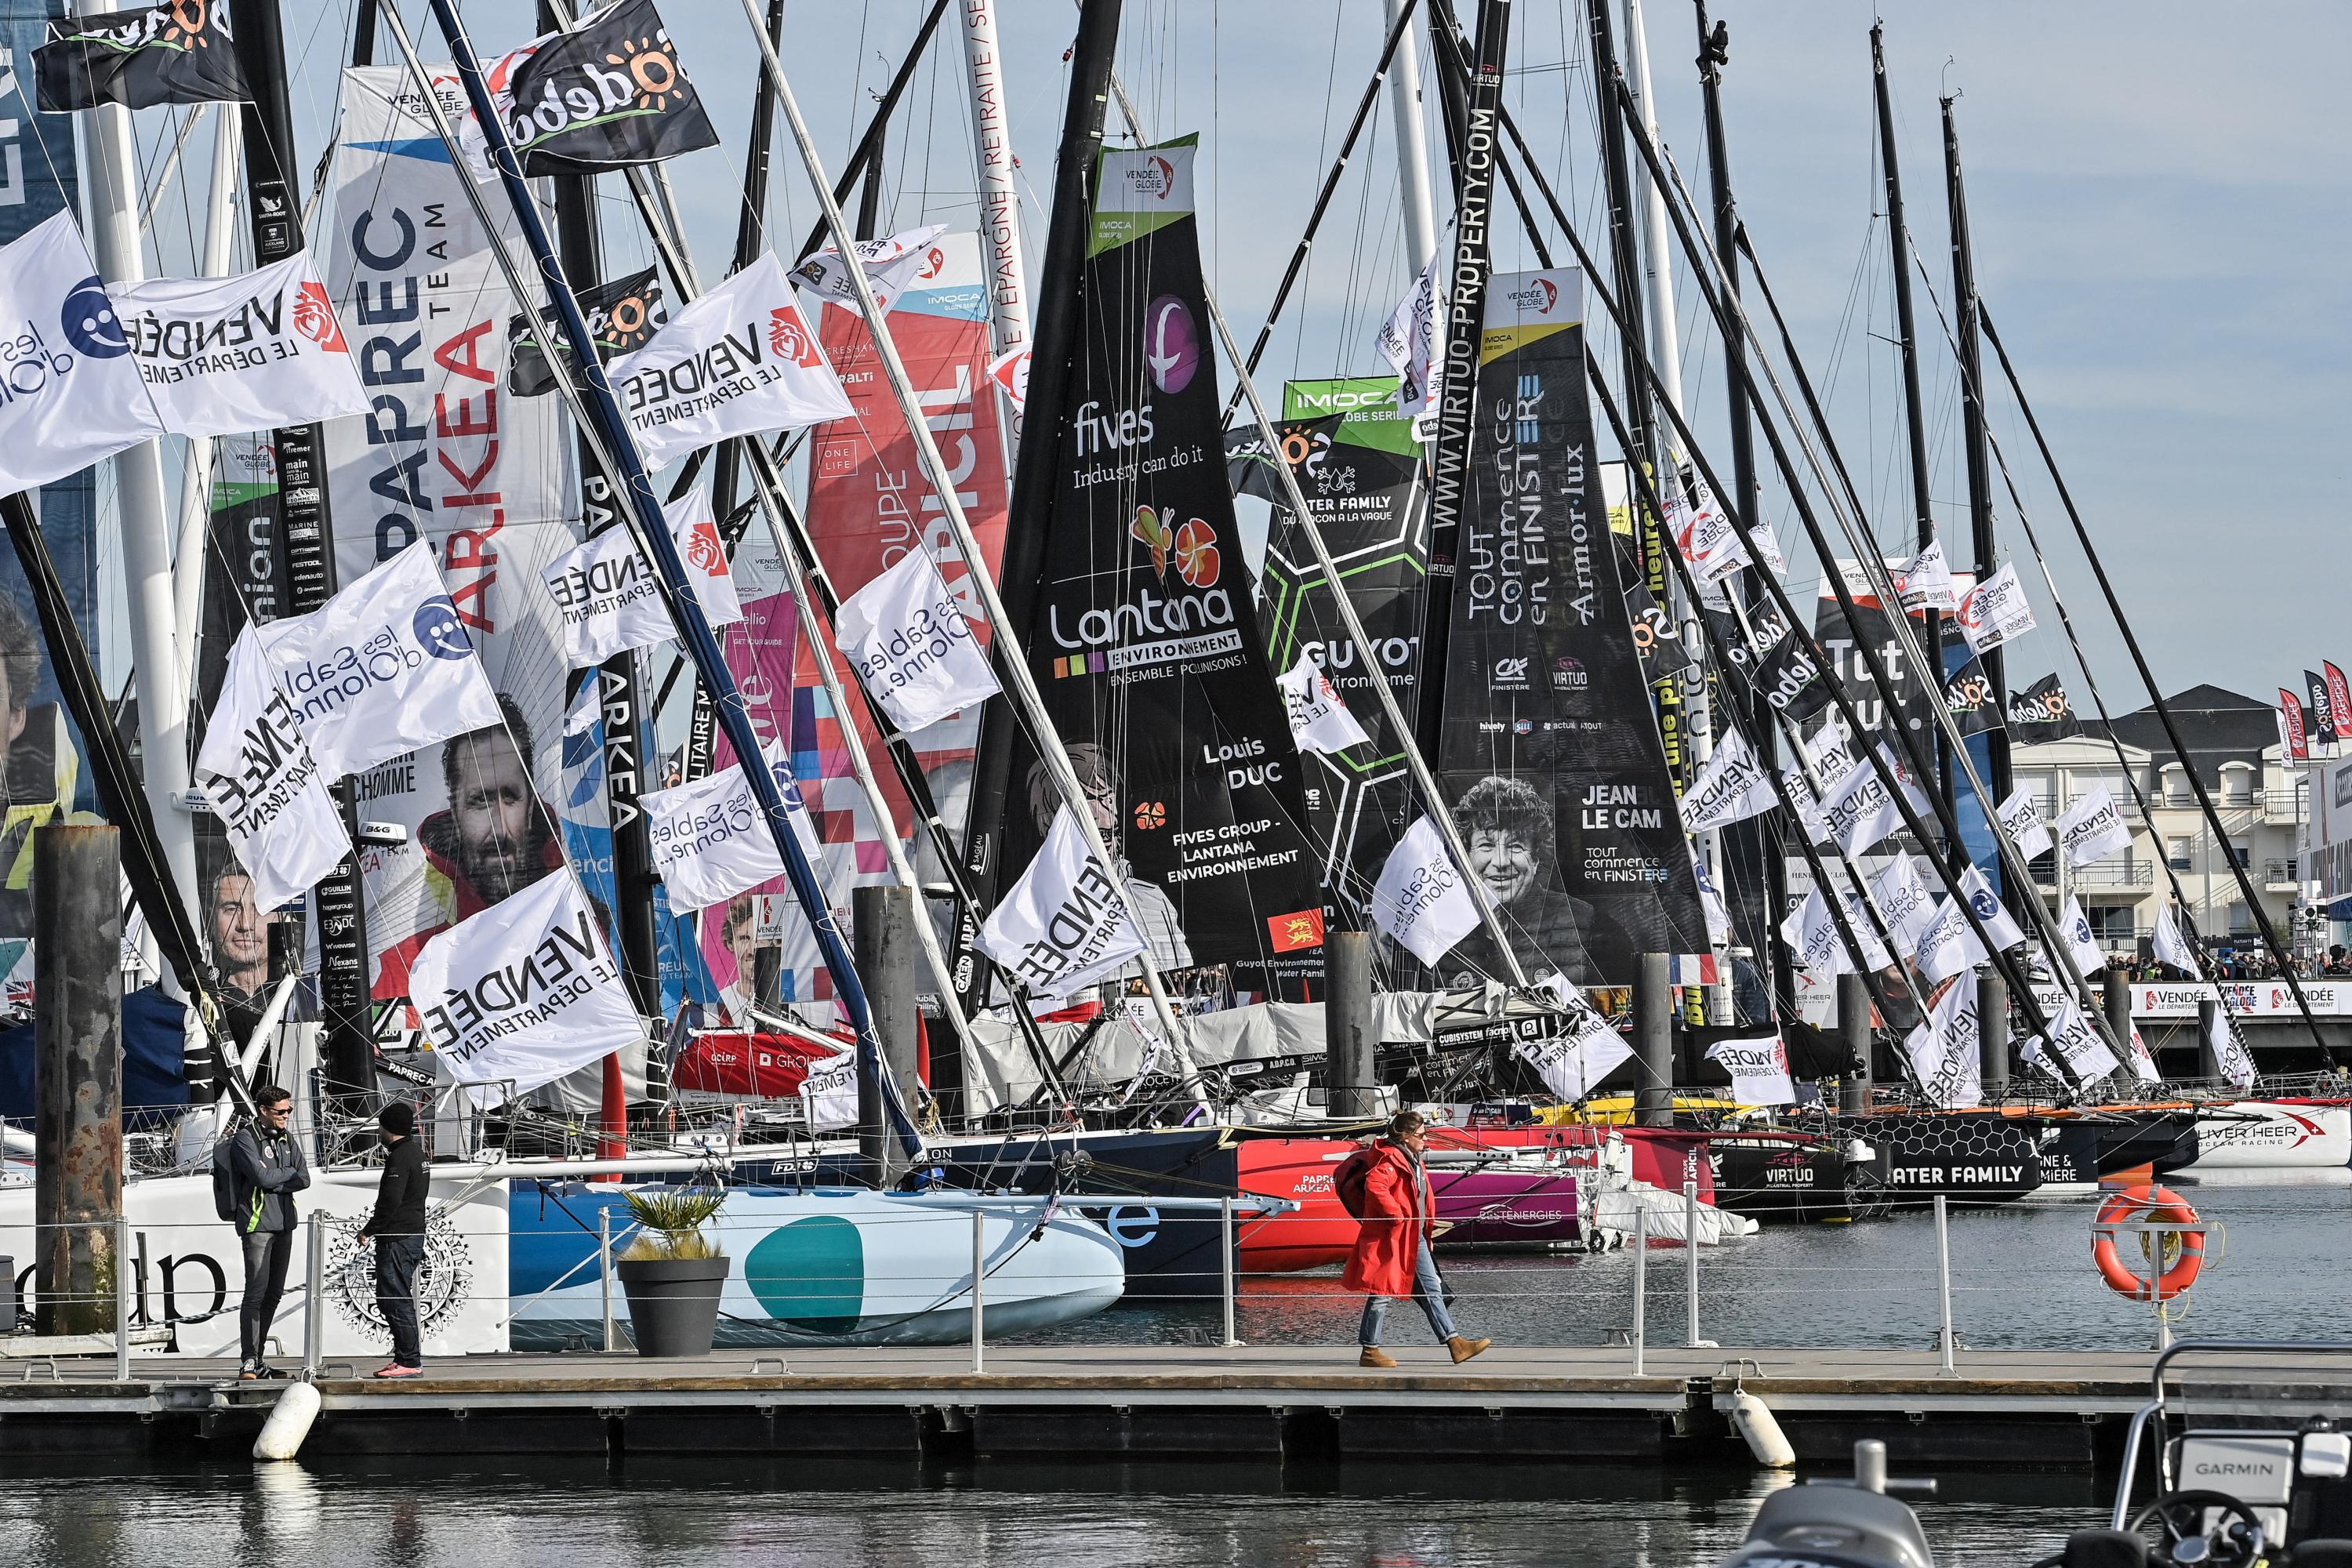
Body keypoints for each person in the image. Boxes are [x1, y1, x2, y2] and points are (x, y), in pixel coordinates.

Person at [1430, 775, 1628, 987]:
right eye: (1486, 846)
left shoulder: (1591, 927)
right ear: (1466, 856)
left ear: (1535, 858)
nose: (1501, 862)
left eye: (1516, 846)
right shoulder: (1437, 932)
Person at [1025, 741, 1191, 975]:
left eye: (1110, 798)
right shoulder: (1031, 910)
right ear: (1053, 816)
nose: (1110, 814)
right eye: (1094, 799)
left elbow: (1178, 975)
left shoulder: (1152, 900)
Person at [1344, 1109, 1490, 1368]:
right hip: (1394, 1237)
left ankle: (1455, 1343)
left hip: (1414, 1236)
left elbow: (1422, 1198)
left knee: (1431, 1289)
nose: (1426, 1140)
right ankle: (1369, 1350)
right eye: (1422, 1135)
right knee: (1382, 1293)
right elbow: (1375, 1186)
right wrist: (1397, 1216)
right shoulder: (1390, 1160)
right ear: (1406, 1136)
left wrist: (1425, 1230)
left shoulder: (1412, 1159)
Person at [223, 1082, 309, 1381]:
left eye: (289, 1110)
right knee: (255, 1293)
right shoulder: (246, 1139)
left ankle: (259, 1360)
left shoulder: (287, 1139)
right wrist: (284, 1176)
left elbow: (305, 1178)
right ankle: (248, 1360)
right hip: (257, 1226)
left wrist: (276, 1178)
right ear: (263, 1111)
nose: (286, 1115)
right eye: (281, 1111)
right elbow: (259, 1177)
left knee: (274, 1294)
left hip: (285, 1225)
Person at [359, 1100, 429, 1379]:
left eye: (381, 1126)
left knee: (393, 1298)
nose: (378, 1130)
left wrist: (369, 1230)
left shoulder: (400, 1157)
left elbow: (390, 1200)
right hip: (410, 1234)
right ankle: (405, 1357)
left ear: (389, 1129)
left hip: (398, 1237)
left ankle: (409, 1361)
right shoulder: (416, 1153)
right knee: (395, 1297)